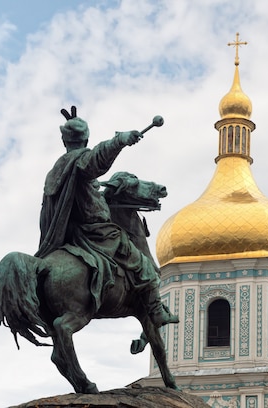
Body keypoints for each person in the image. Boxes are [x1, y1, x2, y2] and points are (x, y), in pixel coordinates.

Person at [35, 106, 178, 327]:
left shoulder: (56, 170)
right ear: (85, 139)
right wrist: (120, 140)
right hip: (96, 232)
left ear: (65, 141)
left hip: (70, 234)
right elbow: (96, 159)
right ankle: (156, 311)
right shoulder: (79, 162)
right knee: (143, 265)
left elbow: (84, 196)